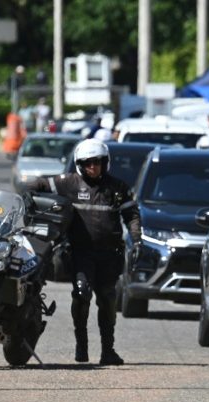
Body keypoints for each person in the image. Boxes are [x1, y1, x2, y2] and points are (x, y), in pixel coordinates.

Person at [26, 139, 141, 366]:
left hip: (110, 255)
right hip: (81, 253)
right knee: (82, 294)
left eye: (98, 163)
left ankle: (108, 350)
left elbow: (132, 215)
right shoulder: (69, 183)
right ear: (80, 164)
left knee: (108, 300)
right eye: (88, 163)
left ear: (105, 163)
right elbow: (36, 185)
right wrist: (28, 197)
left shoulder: (118, 188)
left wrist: (136, 240)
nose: (93, 167)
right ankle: (82, 344)